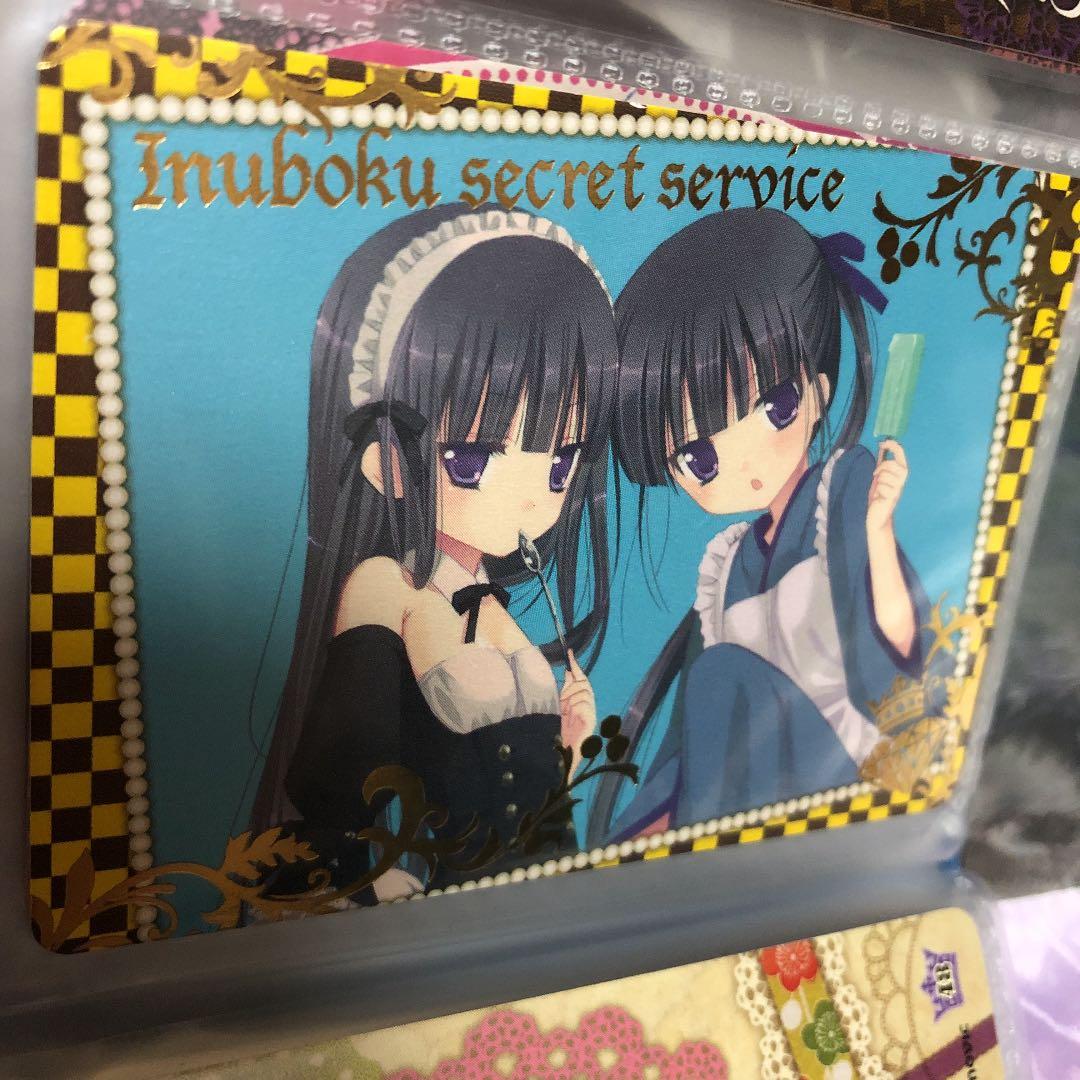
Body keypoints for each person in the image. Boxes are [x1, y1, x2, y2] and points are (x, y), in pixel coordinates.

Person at [251, 204, 618, 900]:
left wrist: (567, 746)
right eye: (474, 459)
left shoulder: (490, 601)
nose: (531, 497)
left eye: (559, 463)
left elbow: (529, 803)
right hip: (466, 907)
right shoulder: (388, 586)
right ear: (389, 460)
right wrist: (373, 886)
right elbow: (330, 789)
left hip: (553, 886)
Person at [589, 207, 934, 846]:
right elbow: (685, 748)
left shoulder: (845, 493)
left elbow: (901, 659)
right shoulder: (725, 570)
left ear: (818, 391)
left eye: (775, 406)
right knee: (716, 679)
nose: (744, 465)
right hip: (751, 808)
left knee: (722, 674)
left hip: (847, 782)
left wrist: (879, 536)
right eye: (698, 457)